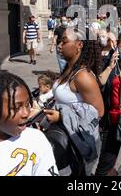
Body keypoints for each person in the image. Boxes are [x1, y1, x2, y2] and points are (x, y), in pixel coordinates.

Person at [44, 27, 104, 175]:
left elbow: (99, 112)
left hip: (79, 143)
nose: (59, 45)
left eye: (64, 41)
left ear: (79, 45)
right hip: (64, 137)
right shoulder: (68, 70)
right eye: (59, 41)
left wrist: (62, 116)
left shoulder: (83, 76)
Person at [95, 36, 121, 176]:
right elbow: (100, 82)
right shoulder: (111, 62)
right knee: (104, 166)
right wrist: (110, 66)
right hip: (111, 121)